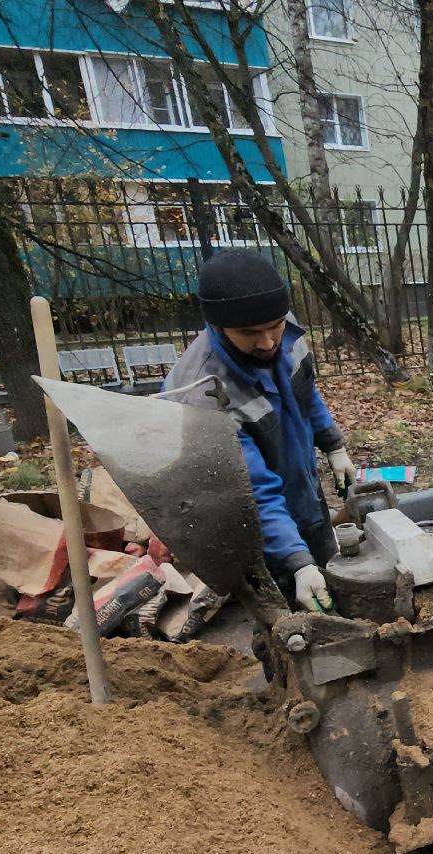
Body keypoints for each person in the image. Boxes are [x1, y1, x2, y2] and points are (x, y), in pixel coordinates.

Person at [163, 250, 357, 611]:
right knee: (289, 608)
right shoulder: (203, 395)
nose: (268, 342)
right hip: (249, 522)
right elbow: (254, 493)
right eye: (250, 333)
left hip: (301, 489)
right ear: (218, 325)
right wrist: (297, 563)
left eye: (275, 326)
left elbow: (305, 390)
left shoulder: (283, 326)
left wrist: (332, 444)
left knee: (334, 574)